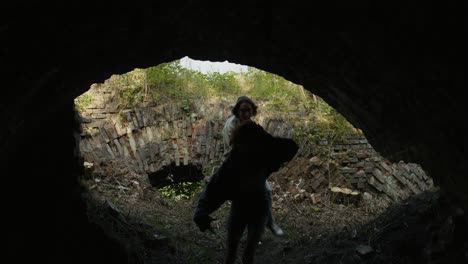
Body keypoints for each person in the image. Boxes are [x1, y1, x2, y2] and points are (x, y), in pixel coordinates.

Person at [193, 121, 298, 264]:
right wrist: (201, 211)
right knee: (233, 252)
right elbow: (216, 187)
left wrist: (265, 139)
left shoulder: (262, 155)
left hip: (258, 206)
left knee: (246, 253)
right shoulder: (236, 161)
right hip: (243, 207)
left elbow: (291, 147)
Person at [222, 96, 284, 236]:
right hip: (234, 167)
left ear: (252, 111)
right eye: (243, 111)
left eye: (249, 111)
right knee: (242, 200)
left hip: (250, 166)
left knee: (266, 192)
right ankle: (238, 233)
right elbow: (232, 151)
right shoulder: (231, 125)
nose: (246, 114)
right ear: (237, 111)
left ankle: (268, 223)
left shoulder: (251, 124)